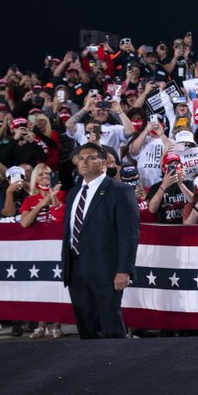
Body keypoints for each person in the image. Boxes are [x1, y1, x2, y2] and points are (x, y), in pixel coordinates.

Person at [59, 142, 140, 339]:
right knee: (86, 327)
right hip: (76, 269)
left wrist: (124, 270)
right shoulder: (73, 194)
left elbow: (129, 234)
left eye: (91, 157)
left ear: (104, 163)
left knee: (110, 325)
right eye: (81, 158)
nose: (84, 162)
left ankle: (117, 367)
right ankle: (90, 367)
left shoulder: (120, 191)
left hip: (107, 269)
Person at [21, 164, 66, 339]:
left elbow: (60, 220)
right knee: (40, 285)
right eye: (41, 175)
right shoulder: (29, 200)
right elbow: (25, 222)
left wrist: (53, 198)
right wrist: (41, 203)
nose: (45, 177)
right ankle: (40, 325)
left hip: (57, 245)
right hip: (37, 248)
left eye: (48, 174)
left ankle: (56, 324)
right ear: (35, 179)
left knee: (57, 285)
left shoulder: (62, 195)